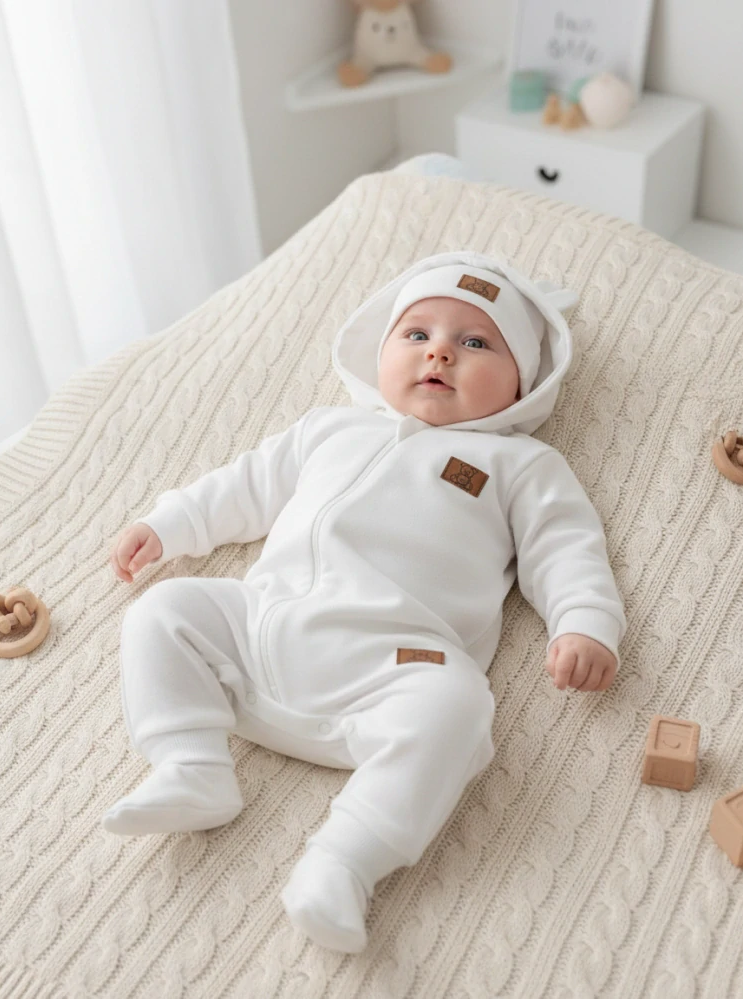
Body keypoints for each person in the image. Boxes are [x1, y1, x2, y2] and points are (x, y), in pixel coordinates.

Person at [103, 251, 626, 954]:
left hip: (399, 661)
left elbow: (566, 547)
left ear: (521, 386)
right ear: (380, 352)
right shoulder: (331, 428)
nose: (440, 351)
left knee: (459, 704)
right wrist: (169, 525)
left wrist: (584, 623)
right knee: (164, 611)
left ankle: (344, 863)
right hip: (265, 627)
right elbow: (245, 485)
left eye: (476, 342)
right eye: (417, 334)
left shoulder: (519, 465)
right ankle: (190, 764)